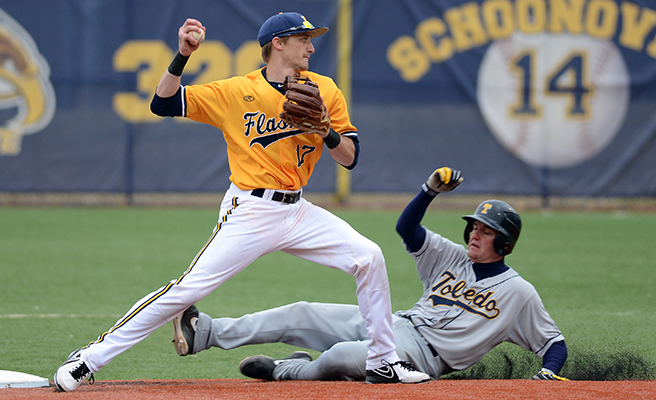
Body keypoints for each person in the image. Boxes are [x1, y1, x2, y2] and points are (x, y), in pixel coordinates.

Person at [53, 12, 429, 392]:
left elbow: (350, 158)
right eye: (303, 40)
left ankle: (383, 361)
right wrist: (183, 54)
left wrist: (326, 130)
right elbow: (162, 104)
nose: (312, 47)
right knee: (187, 290)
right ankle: (88, 358)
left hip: (298, 210)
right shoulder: (236, 91)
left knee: (369, 257)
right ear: (277, 43)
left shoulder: (325, 90)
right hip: (251, 210)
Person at [171, 167, 569, 382]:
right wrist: (427, 192)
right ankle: (205, 333)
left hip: (420, 358)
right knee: (301, 311)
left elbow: (554, 343)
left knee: (339, 357)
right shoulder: (453, 256)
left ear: (505, 243)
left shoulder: (519, 293)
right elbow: (407, 231)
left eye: (486, 231)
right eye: (475, 227)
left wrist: (548, 374)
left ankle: (285, 371)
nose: (476, 234)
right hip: (394, 324)